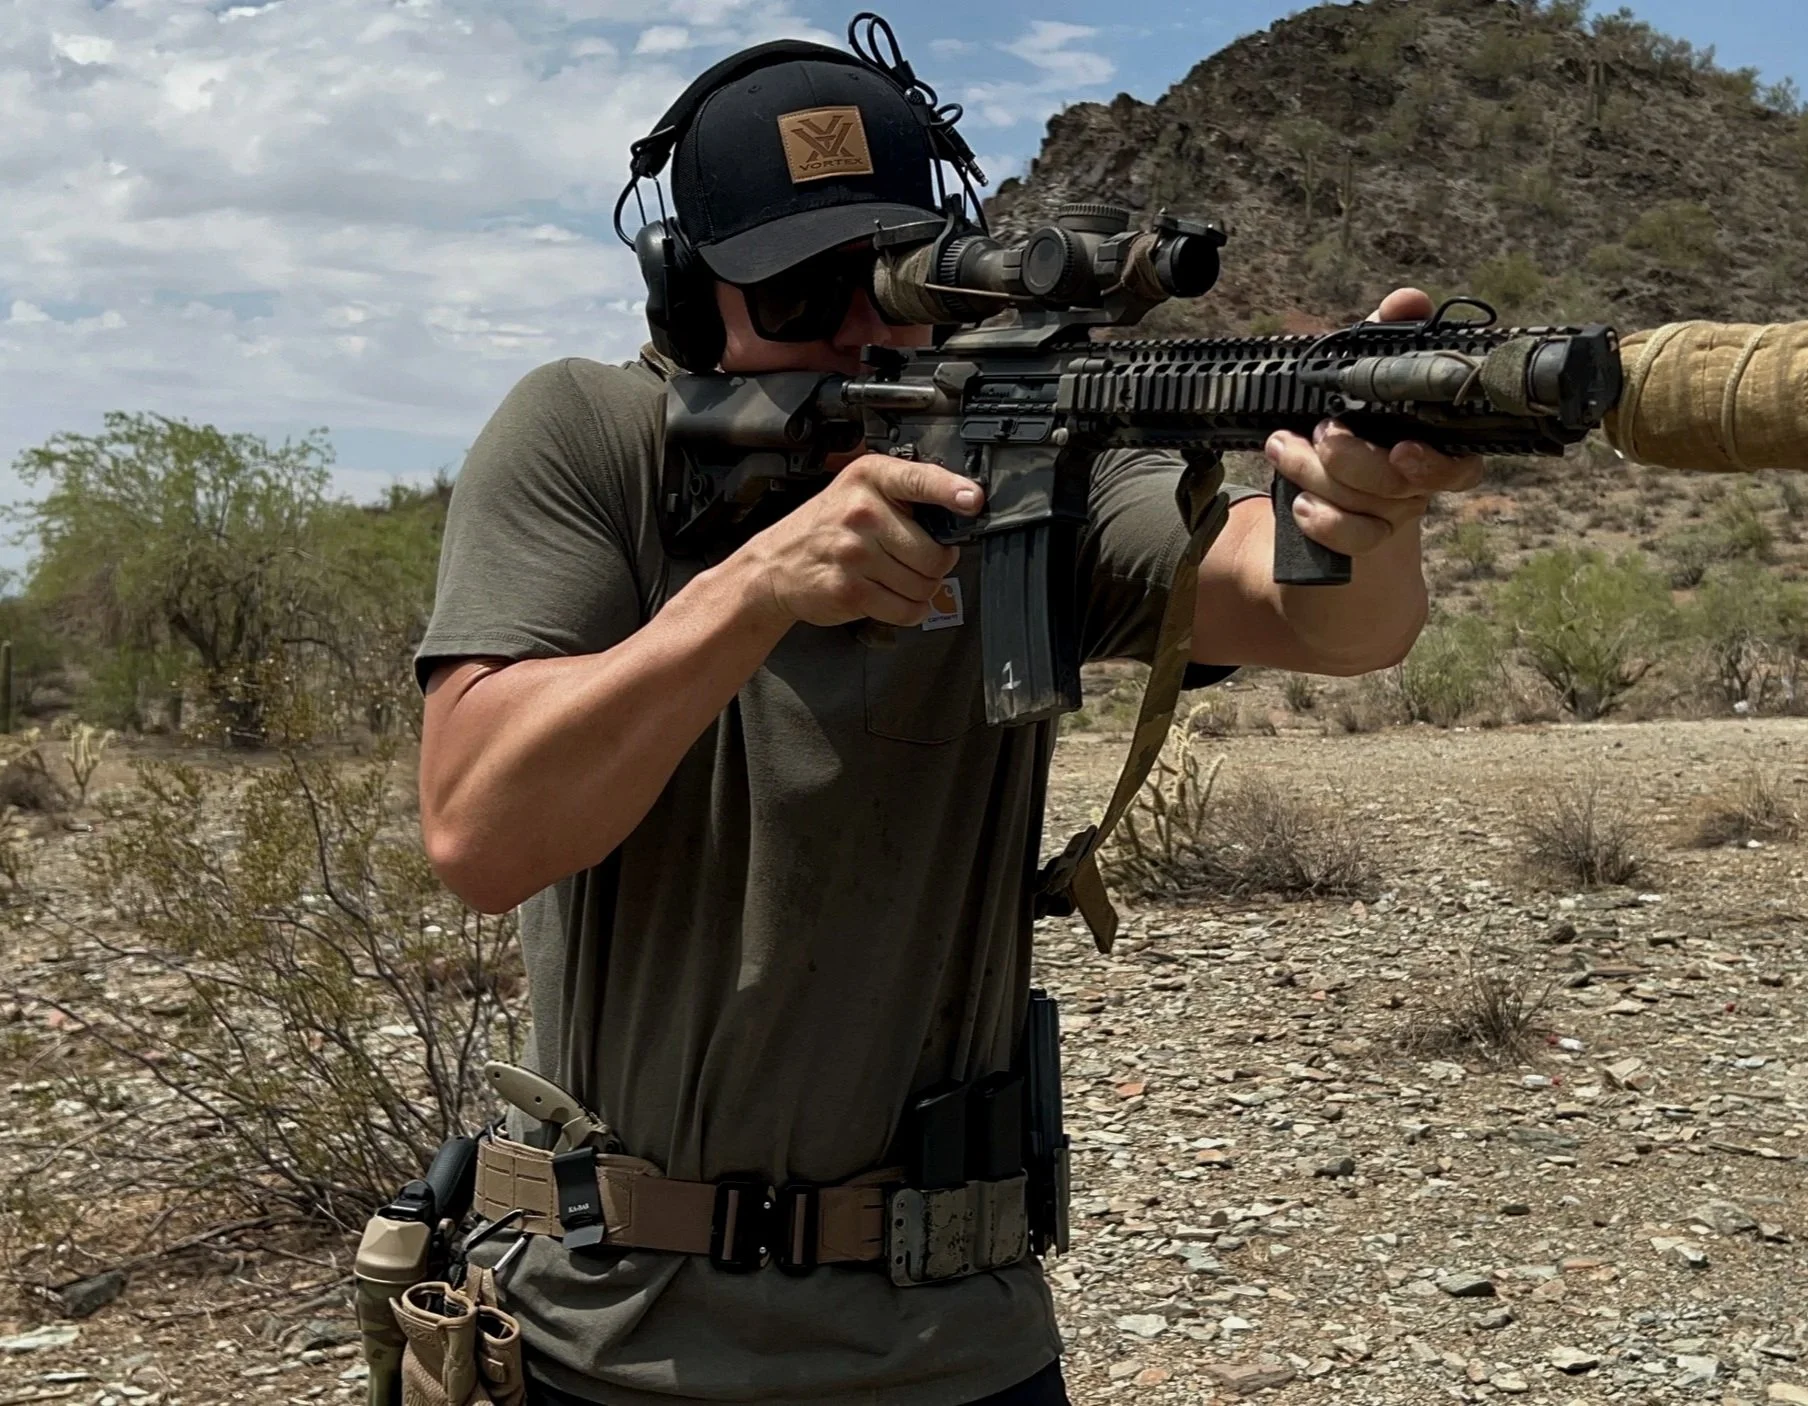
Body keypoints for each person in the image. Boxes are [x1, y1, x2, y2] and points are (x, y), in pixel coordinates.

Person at [412, 20, 1481, 1406]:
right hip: (612, 1342)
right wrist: (754, 593)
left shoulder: (1025, 462)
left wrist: (1364, 513)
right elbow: (479, 830)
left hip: (952, 1348)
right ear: (688, 303)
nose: (860, 334)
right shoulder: (589, 439)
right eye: (799, 300)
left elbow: (1321, 618)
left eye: (897, 287)